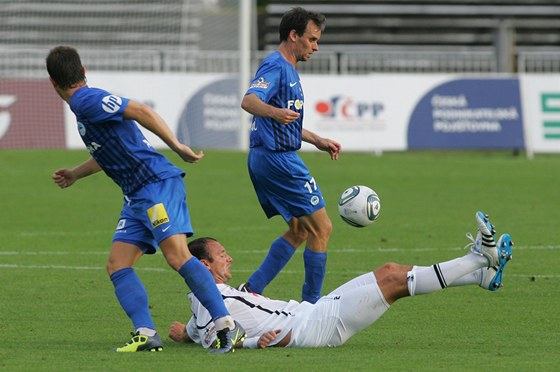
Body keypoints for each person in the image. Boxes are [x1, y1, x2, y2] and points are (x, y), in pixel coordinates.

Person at [46, 46, 245, 353]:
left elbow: (143, 111)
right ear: (83, 70)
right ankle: (146, 333)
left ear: (52, 81)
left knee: (178, 256)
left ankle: (227, 325)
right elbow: (106, 153)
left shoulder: (86, 100)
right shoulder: (84, 107)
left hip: (155, 186)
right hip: (137, 196)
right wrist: (75, 173)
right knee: (118, 264)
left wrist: (177, 145)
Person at [169, 212, 513, 349]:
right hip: (310, 330)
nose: (229, 258)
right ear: (203, 265)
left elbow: (201, 332)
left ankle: (481, 277)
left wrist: (184, 334)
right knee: (394, 282)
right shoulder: (207, 301)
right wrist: (252, 343)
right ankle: (481, 257)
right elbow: (217, 341)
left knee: (388, 269)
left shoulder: (215, 297)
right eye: (222, 255)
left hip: (311, 312)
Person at [239, 7, 341, 304]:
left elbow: (286, 120)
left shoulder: (289, 70)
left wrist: (316, 139)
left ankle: (251, 289)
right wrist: (274, 111)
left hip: (267, 156)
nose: (315, 46)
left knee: (299, 230)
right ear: (293, 35)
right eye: (311, 39)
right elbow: (249, 100)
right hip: (277, 159)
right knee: (322, 228)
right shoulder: (276, 66)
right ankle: (312, 308)